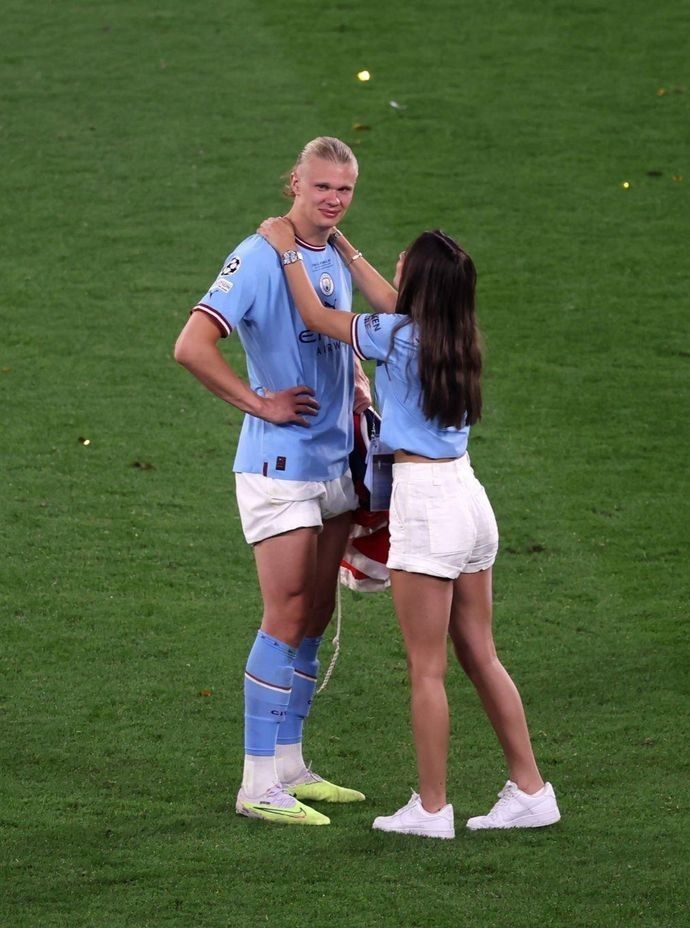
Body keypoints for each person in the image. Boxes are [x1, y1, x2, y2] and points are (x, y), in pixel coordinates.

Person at [257, 217, 561, 838]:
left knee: (426, 669)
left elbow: (318, 316)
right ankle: (532, 789)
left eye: (403, 265)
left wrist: (290, 252)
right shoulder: (457, 334)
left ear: (417, 286)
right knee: (482, 655)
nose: (393, 268)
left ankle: (430, 809)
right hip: (471, 500)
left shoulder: (395, 336)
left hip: (425, 507)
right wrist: (341, 244)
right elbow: (390, 302)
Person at [174, 137, 372, 827]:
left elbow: (330, 339)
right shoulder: (258, 256)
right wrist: (260, 402)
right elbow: (191, 344)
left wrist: (354, 381)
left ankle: (290, 762)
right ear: (295, 180)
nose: (331, 199)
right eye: (321, 187)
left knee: (314, 614)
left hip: (335, 459)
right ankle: (257, 782)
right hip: (277, 466)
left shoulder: (325, 255)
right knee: (285, 613)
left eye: (343, 190)